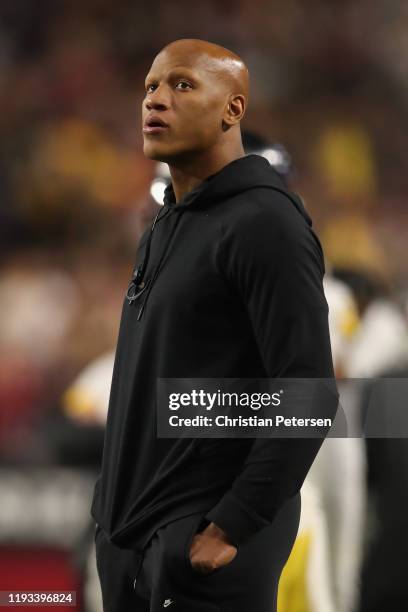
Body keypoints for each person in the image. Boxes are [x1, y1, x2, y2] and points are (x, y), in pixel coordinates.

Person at [91, 38, 338, 612]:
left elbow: (308, 392)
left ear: (234, 110)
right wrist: (110, 520)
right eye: (150, 86)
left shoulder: (265, 223)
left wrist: (231, 526)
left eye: (182, 85)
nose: (156, 100)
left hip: (199, 549)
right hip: (133, 545)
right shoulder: (164, 225)